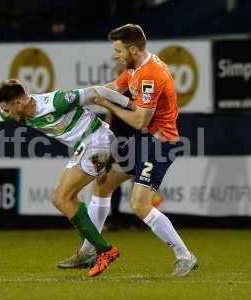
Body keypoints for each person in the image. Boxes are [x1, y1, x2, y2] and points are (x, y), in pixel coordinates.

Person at [0, 79, 132, 277]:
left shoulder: (55, 101)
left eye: (8, 109)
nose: (6, 114)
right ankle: (89, 251)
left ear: (20, 102)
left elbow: (99, 91)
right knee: (68, 197)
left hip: (98, 141)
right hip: (87, 145)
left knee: (61, 197)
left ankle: (104, 250)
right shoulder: (19, 112)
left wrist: (130, 105)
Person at [57, 24, 198, 277]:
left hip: (159, 144)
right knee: (102, 184)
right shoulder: (135, 68)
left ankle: (185, 256)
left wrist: (103, 102)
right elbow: (112, 87)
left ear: (133, 49)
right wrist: (76, 98)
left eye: (119, 50)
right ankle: (90, 249)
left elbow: (140, 120)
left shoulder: (150, 75)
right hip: (142, 141)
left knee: (139, 205)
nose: (116, 56)